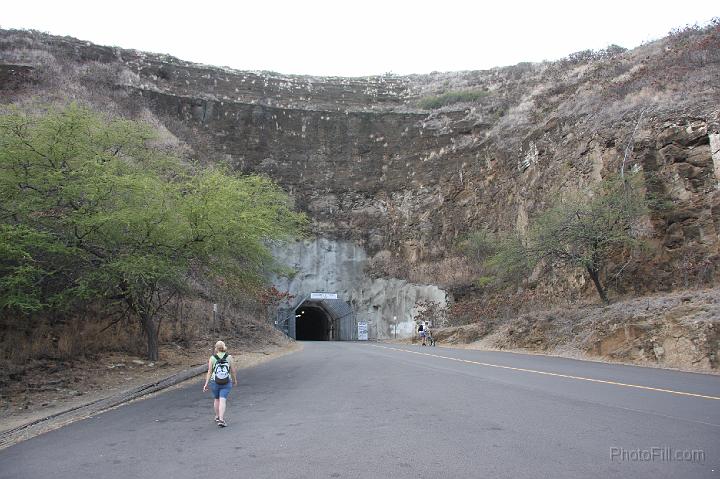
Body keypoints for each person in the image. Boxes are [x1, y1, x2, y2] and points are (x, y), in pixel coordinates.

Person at [202, 340, 238, 428]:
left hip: (215, 382)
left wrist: (206, 384)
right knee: (223, 400)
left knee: (216, 399)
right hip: (226, 382)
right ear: (224, 347)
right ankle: (221, 420)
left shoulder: (212, 358)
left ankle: (217, 416)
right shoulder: (229, 357)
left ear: (216, 348)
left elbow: (209, 372)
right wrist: (235, 380)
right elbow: (233, 371)